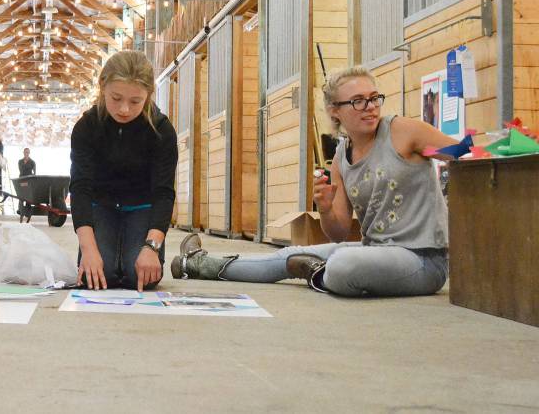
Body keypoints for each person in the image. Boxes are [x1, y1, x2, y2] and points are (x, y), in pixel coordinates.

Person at [171, 65, 453, 297]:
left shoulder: (403, 131)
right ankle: (198, 264)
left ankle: (317, 273)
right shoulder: (342, 156)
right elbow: (339, 233)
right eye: (357, 101)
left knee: (344, 264)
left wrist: (488, 147)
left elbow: (462, 154)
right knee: (291, 254)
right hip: (375, 252)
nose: (370, 107)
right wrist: (326, 209)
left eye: (374, 98)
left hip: (423, 260)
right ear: (335, 111)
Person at [70, 50, 178, 292]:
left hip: (142, 208)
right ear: (102, 87)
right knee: (97, 276)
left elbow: (163, 193)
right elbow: (80, 188)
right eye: (116, 98)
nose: (125, 109)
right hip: (102, 206)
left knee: (140, 277)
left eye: (136, 101)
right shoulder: (86, 127)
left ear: (149, 95)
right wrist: (88, 249)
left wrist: (152, 247)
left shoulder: (162, 130)